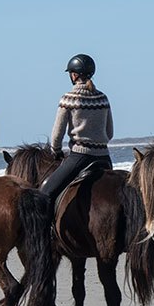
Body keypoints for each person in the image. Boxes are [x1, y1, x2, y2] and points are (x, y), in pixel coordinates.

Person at [40, 54, 114, 204]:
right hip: (104, 158)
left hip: (79, 157)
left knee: (44, 193)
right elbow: (109, 133)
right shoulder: (103, 98)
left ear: (74, 75)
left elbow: (57, 135)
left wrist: (56, 150)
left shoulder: (68, 99)